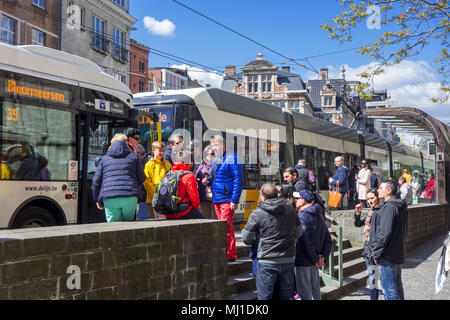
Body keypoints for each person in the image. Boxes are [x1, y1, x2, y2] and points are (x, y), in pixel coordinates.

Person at [241, 183, 302, 300]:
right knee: (287, 296)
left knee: (265, 297)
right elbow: (299, 232)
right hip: (287, 259)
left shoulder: (257, 213)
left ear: (263, 197)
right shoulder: (290, 210)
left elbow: (245, 238)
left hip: (266, 261)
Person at [92, 133, 146, 223]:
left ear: (112, 144)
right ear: (126, 144)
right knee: (128, 226)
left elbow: (96, 181)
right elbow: (142, 178)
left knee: (113, 227)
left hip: (110, 196)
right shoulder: (134, 157)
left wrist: (97, 199)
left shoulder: (104, 159)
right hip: (130, 196)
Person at [367, 180, 406, 300]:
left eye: (380, 188)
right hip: (396, 253)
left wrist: (376, 253)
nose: (378, 190)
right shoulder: (398, 206)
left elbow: (384, 233)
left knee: (389, 289)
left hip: (387, 255)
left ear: (388, 191)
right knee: (397, 286)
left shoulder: (389, 207)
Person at [294, 190, 332, 300]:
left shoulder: (301, 217)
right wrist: (322, 257)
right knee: (316, 293)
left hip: (304, 261)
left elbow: (304, 240)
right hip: (315, 262)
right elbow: (328, 240)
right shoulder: (319, 216)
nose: (296, 201)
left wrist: (315, 258)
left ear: (303, 201)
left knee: (305, 293)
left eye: (297, 199)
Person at [211, 135, 243, 262]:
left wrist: (234, 200)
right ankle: (229, 252)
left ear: (224, 145)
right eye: (213, 145)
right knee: (225, 227)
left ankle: (230, 254)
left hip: (226, 198)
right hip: (218, 197)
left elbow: (238, 180)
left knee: (226, 227)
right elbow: (216, 178)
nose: (215, 148)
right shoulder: (215, 160)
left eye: (217, 145)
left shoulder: (233, 159)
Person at [160, 150, 205, 220]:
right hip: (182, 212)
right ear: (190, 162)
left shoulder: (169, 173)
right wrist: (196, 209)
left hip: (167, 212)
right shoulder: (189, 176)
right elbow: (194, 197)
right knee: (204, 222)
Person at [354, 188, 382, 300]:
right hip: (368, 248)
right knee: (372, 278)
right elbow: (358, 224)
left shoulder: (381, 210)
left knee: (382, 279)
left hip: (377, 249)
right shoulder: (371, 211)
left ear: (378, 197)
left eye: (372, 198)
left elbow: (384, 230)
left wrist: (372, 228)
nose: (369, 201)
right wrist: (357, 213)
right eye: (368, 199)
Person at [143, 141, 172, 219]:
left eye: (163, 150)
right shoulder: (149, 165)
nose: (162, 153)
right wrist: (157, 194)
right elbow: (146, 182)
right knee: (155, 221)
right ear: (153, 150)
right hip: (153, 199)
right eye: (159, 150)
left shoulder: (168, 165)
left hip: (166, 198)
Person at [195, 144, 216, 219]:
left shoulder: (219, 165)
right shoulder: (200, 167)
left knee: (216, 220)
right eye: (210, 154)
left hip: (216, 196)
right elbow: (195, 181)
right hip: (203, 197)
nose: (212, 156)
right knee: (206, 219)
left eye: (213, 154)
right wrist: (201, 182)